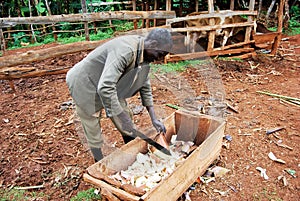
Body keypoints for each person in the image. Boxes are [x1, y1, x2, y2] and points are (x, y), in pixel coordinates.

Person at [66, 28, 173, 162]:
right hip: (85, 82)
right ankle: (98, 160)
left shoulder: (145, 54)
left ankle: (133, 151)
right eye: (161, 54)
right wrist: (122, 117)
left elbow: (144, 85)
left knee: (126, 119)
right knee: (92, 123)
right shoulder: (126, 51)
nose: (160, 59)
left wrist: (154, 118)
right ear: (153, 44)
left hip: (110, 83)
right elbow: (105, 87)